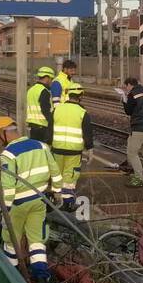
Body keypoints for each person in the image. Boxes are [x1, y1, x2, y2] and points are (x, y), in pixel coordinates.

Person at [0, 116, 63, 283]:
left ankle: (11, 276)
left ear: (3, 134)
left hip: (17, 205)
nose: (1, 143)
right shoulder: (42, 146)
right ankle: (41, 279)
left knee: (10, 239)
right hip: (39, 201)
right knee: (36, 239)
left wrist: (6, 209)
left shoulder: (8, 154)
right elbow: (55, 171)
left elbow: (8, 187)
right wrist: (57, 192)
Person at [50, 81, 94, 210]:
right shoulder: (82, 112)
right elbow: (87, 133)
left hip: (56, 148)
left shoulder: (57, 109)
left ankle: (55, 199)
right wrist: (90, 149)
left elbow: (50, 129)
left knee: (57, 174)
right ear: (80, 96)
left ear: (68, 95)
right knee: (69, 176)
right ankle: (67, 202)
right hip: (74, 151)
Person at [121, 76, 143, 187]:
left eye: (125, 87)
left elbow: (128, 111)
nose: (125, 89)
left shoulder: (132, 95)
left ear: (129, 85)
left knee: (132, 153)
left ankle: (139, 178)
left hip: (139, 128)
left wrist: (124, 99)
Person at [26, 66, 56, 144]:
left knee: (35, 148)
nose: (51, 81)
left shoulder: (31, 89)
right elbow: (45, 110)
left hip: (32, 125)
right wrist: (52, 122)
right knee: (43, 150)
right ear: (47, 77)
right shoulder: (44, 91)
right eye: (51, 79)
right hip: (42, 126)